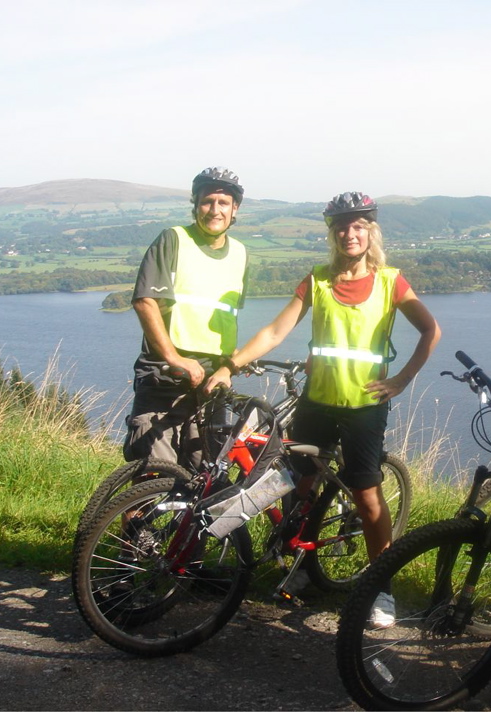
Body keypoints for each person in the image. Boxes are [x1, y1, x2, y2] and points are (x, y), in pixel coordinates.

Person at [206, 191, 441, 628]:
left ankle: (380, 587)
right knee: (295, 484)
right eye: (342, 227)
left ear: (371, 232)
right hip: (316, 403)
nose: (350, 233)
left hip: (362, 408)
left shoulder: (391, 281)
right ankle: (297, 561)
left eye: (359, 226)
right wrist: (229, 365)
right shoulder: (317, 280)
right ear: (332, 233)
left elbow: (431, 330)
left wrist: (401, 379)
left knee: (367, 496)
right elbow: (276, 330)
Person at [123, 167, 249, 468]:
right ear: (195, 205)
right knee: (151, 475)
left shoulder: (241, 253)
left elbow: (225, 316)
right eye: (207, 201)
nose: (215, 210)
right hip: (165, 378)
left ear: (235, 210)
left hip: (210, 383)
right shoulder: (173, 240)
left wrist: (233, 361)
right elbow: (145, 302)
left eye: (223, 203)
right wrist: (175, 357)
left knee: (203, 475)